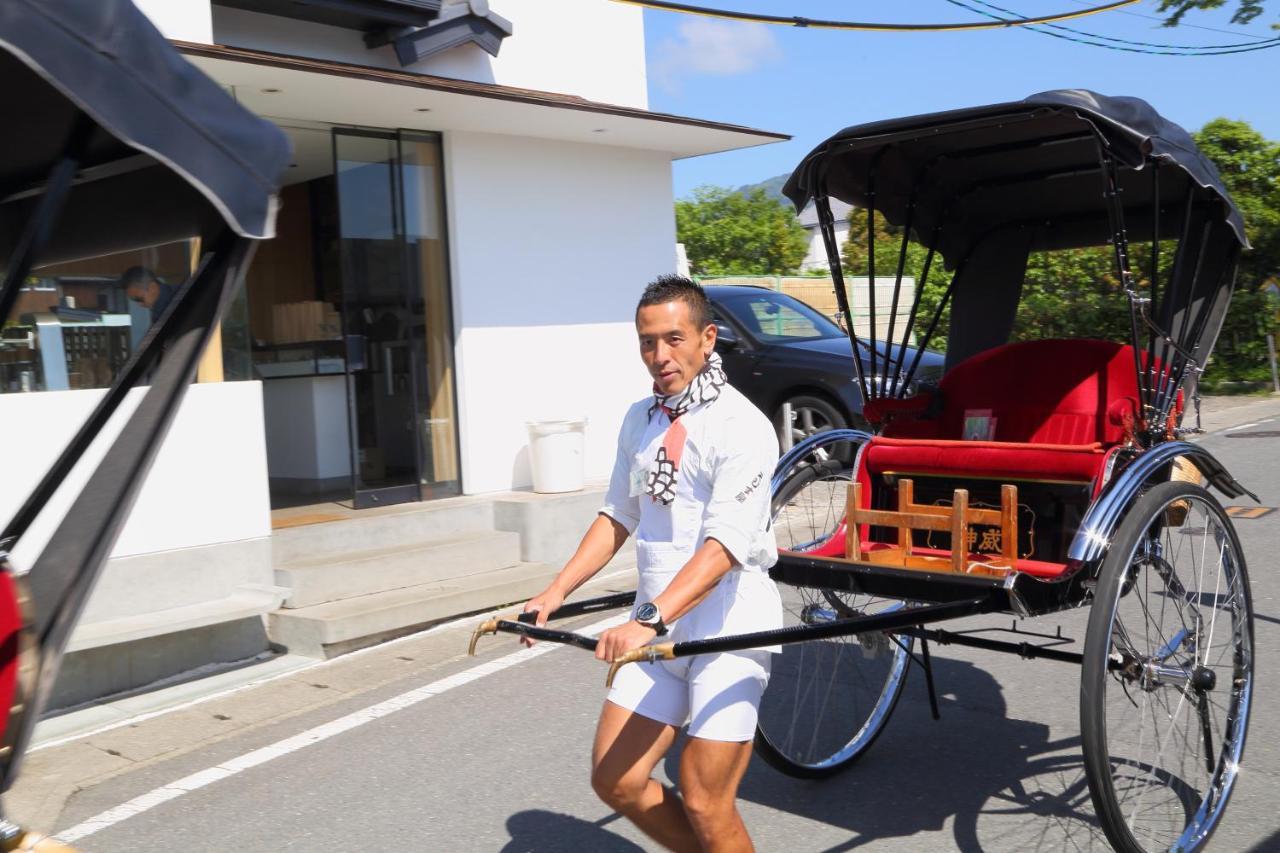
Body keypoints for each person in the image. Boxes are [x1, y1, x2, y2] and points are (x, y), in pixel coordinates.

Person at [523, 275, 782, 852]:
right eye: (647, 342)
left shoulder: (741, 427)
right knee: (615, 780)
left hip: (729, 628)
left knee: (704, 798)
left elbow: (724, 548)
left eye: (674, 338)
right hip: (660, 622)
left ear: (707, 337)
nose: (659, 356)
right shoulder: (641, 419)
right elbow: (618, 515)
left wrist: (646, 621)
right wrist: (556, 591)